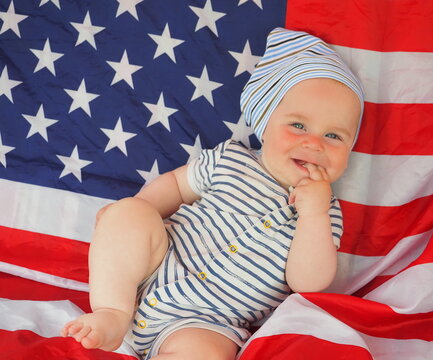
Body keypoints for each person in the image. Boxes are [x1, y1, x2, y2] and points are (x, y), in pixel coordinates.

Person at [61, 27, 365, 360]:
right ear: (264, 124)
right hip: (150, 271)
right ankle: (111, 312)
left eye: (334, 136)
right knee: (128, 211)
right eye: (299, 126)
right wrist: (137, 211)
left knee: (203, 354)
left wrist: (314, 214)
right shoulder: (230, 158)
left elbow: (307, 282)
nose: (314, 143)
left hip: (208, 322)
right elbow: (176, 186)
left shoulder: (325, 212)